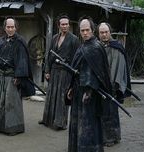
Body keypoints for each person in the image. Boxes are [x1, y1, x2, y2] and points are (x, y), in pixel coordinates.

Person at [67, 16, 111, 152]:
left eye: (87, 30)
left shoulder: (96, 47)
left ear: (92, 30)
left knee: (89, 124)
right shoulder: (82, 46)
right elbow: (76, 69)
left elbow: (99, 74)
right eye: (82, 30)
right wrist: (71, 87)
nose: (85, 33)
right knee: (77, 122)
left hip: (90, 94)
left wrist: (89, 91)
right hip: (78, 91)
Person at [0, 17, 35, 136]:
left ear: (16, 27)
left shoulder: (20, 41)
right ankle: (0, 125)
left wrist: (18, 76)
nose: (10, 29)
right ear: (4, 28)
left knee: (12, 102)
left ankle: (13, 128)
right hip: (2, 77)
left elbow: (22, 60)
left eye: (12, 27)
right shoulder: (1, 41)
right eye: (8, 27)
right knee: (1, 102)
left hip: (13, 77)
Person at [38, 14, 80, 130]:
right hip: (54, 71)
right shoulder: (55, 38)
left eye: (67, 24)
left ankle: (60, 123)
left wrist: (73, 73)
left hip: (66, 72)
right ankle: (47, 119)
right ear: (59, 25)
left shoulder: (74, 39)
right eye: (63, 24)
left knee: (62, 97)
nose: (65, 26)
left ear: (69, 25)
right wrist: (47, 70)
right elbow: (49, 54)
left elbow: (77, 58)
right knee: (51, 95)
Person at [98, 22, 131, 146]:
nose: (104, 34)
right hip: (101, 86)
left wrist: (115, 85)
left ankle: (112, 138)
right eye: (102, 32)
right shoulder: (98, 46)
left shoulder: (117, 47)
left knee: (111, 112)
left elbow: (120, 68)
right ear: (98, 33)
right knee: (102, 112)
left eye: (106, 32)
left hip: (112, 86)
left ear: (110, 32)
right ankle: (105, 137)